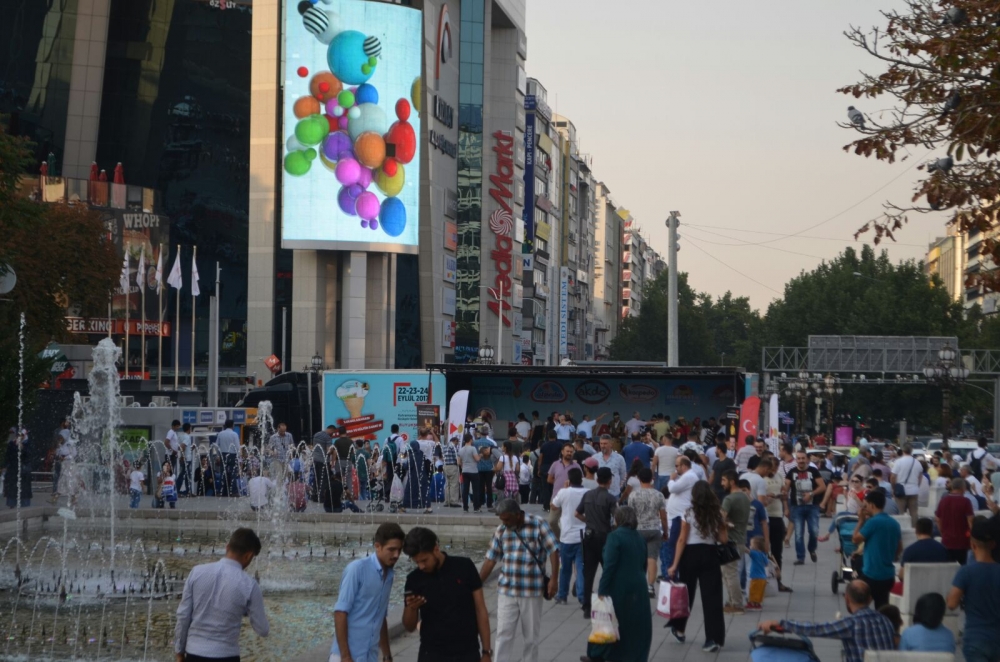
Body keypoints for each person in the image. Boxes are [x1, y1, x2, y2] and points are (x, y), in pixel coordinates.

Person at [479, 499, 558, 662]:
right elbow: (490, 559)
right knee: (503, 633)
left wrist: (554, 579)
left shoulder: (538, 524)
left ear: (517, 514)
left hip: (531, 590)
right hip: (507, 590)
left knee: (531, 637)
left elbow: (553, 551)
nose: (504, 523)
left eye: (507, 519)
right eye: (502, 519)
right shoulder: (501, 530)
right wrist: (476, 583)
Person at [174, 528, 268, 661]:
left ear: (227, 547)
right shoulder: (250, 585)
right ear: (248, 555)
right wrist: (247, 610)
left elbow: (183, 616)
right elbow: (262, 630)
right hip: (226, 655)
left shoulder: (196, 572)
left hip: (194, 652)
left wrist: (179, 652)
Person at [401, 527, 491, 662]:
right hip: (431, 654)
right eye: (417, 562)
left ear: (436, 549)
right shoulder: (414, 579)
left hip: (466, 652)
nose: (421, 566)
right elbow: (409, 626)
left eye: (424, 560)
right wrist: (411, 608)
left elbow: (480, 610)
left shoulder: (464, 567)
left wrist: (486, 652)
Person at [580, 507, 652, 662]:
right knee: (635, 625)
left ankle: (600, 653)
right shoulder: (639, 538)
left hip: (620, 587)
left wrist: (602, 590)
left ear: (618, 519)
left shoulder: (614, 537)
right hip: (639, 586)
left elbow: (609, 566)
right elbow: (644, 564)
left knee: (611, 621)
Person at [760, 580, 896, 662]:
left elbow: (816, 629)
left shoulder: (852, 624)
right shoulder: (885, 620)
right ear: (870, 599)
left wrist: (781, 624)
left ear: (847, 599)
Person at [666, 481, 728, 653]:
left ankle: (679, 628)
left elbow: (682, 540)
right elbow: (723, 540)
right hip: (710, 554)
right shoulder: (717, 513)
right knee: (712, 597)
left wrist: (674, 564)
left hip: (690, 555)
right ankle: (713, 638)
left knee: (685, 594)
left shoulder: (688, 513)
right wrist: (723, 525)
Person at [330, 523, 404, 662]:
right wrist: (345, 657)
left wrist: (387, 655)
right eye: (391, 549)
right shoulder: (357, 569)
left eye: (399, 550)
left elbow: (380, 617)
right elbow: (340, 613)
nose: (396, 555)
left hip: (370, 656)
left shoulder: (389, 576)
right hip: (347, 656)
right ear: (377, 546)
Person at [947, 520, 1000, 662]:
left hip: (975, 638)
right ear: (993, 545)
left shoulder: (966, 572)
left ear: (972, 544)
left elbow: (951, 604)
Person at [576, 467, 618, 619]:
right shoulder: (610, 498)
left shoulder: (588, 494)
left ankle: (587, 606)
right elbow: (617, 519)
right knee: (608, 571)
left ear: (597, 479)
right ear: (609, 481)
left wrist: (588, 521)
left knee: (588, 573)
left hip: (589, 537)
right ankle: (606, 601)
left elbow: (577, 513)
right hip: (605, 537)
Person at [852, 489, 902, 609]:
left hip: (872, 574)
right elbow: (899, 548)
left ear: (872, 505)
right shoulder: (894, 523)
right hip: (888, 575)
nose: (865, 508)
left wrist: (861, 521)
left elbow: (855, 539)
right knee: (882, 608)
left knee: (859, 607)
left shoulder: (873, 522)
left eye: (866, 505)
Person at [551, 467, 589, 606]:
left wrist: (565, 488)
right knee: (581, 567)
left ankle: (562, 595)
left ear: (569, 480)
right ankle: (582, 595)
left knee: (565, 568)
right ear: (581, 479)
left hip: (567, 536)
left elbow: (553, 506)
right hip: (583, 535)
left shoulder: (564, 492)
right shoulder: (588, 492)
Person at [628, 467, 667, 594]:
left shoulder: (633, 495)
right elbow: (663, 516)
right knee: (652, 558)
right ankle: (650, 586)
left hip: (638, 529)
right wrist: (665, 531)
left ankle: (638, 585)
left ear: (639, 479)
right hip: (654, 529)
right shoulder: (659, 495)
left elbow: (630, 515)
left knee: (638, 559)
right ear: (652, 479)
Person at [786, 450, 826, 565]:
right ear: (796, 460)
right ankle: (800, 557)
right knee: (799, 533)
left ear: (807, 459)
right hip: (796, 507)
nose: (801, 461)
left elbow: (822, 487)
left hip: (812, 506)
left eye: (803, 458)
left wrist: (811, 494)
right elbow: (786, 489)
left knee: (814, 531)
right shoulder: (791, 472)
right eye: (799, 458)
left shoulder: (813, 471)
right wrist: (785, 505)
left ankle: (811, 549)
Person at [719, 470, 750, 613]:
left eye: (724, 480)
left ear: (732, 482)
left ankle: (736, 604)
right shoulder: (744, 497)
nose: (722, 483)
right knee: (729, 572)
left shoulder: (729, 499)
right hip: (741, 539)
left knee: (730, 574)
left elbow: (720, 519)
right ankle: (732, 601)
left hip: (730, 541)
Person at [763, 458, 792, 592]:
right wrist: (767, 496)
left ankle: (778, 580)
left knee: (777, 550)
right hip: (765, 516)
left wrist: (785, 505)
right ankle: (762, 580)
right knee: (762, 550)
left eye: (776, 468)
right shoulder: (762, 478)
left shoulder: (779, 476)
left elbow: (784, 493)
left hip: (777, 515)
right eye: (772, 468)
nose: (774, 471)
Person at [936, 477, 975, 564]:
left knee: (948, 567)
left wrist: (942, 532)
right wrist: (972, 538)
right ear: (963, 488)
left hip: (946, 540)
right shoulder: (966, 501)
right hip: (962, 541)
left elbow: (938, 519)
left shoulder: (943, 500)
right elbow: (970, 521)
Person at [547, 443, 580, 538]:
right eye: (567, 451)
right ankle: (559, 538)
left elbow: (580, 480)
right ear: (562, 452)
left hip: (570, 499)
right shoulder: (555, 464)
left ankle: (567, 539)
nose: (569, 453)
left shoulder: (576, 466)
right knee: (552, 521)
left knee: (569, 522)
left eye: (571, 452)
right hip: (556, 497)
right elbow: (549, 479)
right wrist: (559, 483)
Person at [890, 443, 922, 528]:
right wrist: (916, 486)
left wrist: (893, 488)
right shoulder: (917, 462)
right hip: (914, 490)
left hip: (901, 490)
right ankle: (914, 530)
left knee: (900, 513)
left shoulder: (898, 462)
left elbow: (893, 477)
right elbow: (920, 477)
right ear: (911, 451)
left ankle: (902, 529)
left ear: (903, 450)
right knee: (914, 513)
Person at [474, 428, 498, 512]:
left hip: (479, 467)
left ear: (480, 433)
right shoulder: (491, 443)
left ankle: (481, 502)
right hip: (489, 467)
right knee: (489, 486)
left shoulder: (475, 443)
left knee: (480, 486)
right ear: (487, 434)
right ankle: (489, 503)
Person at [537, 431, 562, 511]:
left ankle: (546, 506)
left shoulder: (544, 445)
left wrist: (539, 468)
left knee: (545, 488)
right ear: (556, 436)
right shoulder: (559, 445)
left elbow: (541, 458)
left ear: (548, 436)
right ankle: (554, 504)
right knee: (554, 487)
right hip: (555, 468)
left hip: (545, 468)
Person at [216, 420, 241, 498]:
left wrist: (218, 456)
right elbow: (237, 447)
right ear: (232, 425)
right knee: (233, 473)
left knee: (223, 473)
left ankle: (222, 491)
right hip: (232, 455)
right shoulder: (234, 434)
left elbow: (217, 446)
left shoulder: (220, 434)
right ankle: (233, 492)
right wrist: (239, 457)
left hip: (223, 454)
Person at [458, 434, 482, 512]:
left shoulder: (461, 449)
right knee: (475, 490)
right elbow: (477, 459)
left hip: (465, 471)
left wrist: (463, 466)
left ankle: (465, 507)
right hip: (473, 471)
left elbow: (458, 462)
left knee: (465, 489)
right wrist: (480, 455)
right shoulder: (473, 448)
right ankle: (476, 507)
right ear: (471, 440)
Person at [745, 535, 769, 611]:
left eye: (751, 544)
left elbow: (747, 551)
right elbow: (766, 564)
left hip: (756, 577)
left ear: (756, 546)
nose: (750, 546)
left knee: (753, 591)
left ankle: (752, 604)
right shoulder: (763, 554)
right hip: (763, 577)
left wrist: (741, 546)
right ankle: (757, 604)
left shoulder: (754, 553)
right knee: (759, 592)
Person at [709, 437, 736, 502]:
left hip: (724, 492)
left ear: (719, 450)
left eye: (716, 449)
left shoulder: (729, 462)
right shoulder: (716, 462)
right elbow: (712, 476)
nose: (715, 451)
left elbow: (732, 476)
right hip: (715, 491)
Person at [441, 435, 461, 508]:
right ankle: (453, 501)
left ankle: (447, 501)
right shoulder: (453, 447)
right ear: (455, 441)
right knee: (454, 484)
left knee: (447, 484)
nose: (457, 444)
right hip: (452, 466)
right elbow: (456, 458)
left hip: (445, 466)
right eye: (457, 442)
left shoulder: (444, 447)